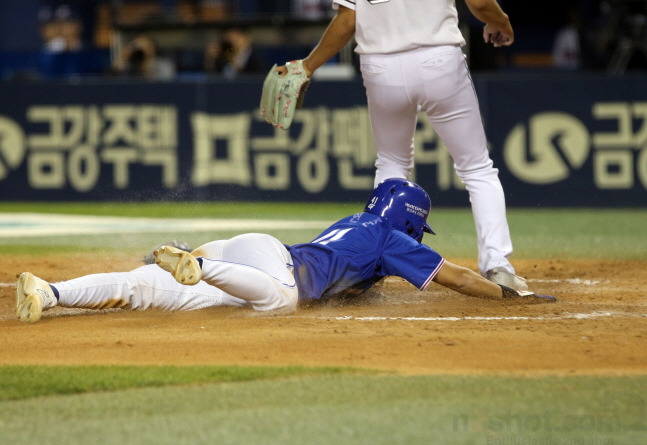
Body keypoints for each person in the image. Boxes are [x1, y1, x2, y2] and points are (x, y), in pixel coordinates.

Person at [15, 179, 554, 323]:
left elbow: (348, 286)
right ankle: (197, 265)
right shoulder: (390, 239)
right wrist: (506, 295)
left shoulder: (354, 225)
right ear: (410, 223)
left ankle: (50, 291)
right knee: (281, 301)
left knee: (139, 289)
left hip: (252, 251)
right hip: (273, 269)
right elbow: (456, 277)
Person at [272, 1, 526, 290]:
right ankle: (497, 265)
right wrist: (501, 22)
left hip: (381, 65)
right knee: (476, 168)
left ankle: (369, 269)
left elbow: (347, 21)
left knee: (392, 163)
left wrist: (308, 66)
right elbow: (480, 4)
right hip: (439, 59)